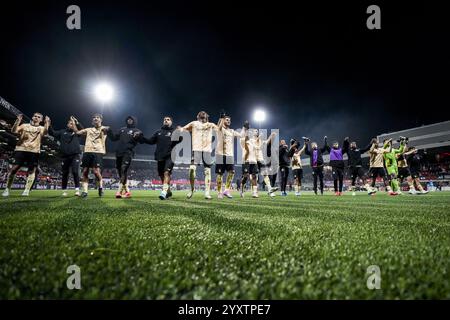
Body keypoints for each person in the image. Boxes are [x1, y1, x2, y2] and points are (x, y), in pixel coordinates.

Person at [2, 113, 50, 197]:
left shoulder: (41, 128)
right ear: (32, 117)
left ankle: (26, 190)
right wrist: (18, 121)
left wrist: (47, 124)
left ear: (41, 120)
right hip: (20, 149)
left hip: (34, 151)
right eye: (35, 116)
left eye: (39, 117)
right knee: (13, 169)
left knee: (32, 170)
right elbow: (13, 131)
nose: (36, 118)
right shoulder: (24, 125)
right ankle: (7, 189)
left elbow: (45, 133)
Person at [139, 116, 183, 200]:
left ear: (171, 122)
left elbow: (180, 140)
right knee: (161, 175)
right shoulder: (158, 132)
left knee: (166, 173)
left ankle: (163, 191)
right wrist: (141, 138)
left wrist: (180, 132)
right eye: (165, 120)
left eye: (168, 119)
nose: (166, 121)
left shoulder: (174, 132)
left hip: (170, 156)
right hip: (160, 157)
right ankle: (168, 191)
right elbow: (150, 141)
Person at [180, 111, 218, 199]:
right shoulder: (194, 123)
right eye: (201, 113)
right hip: (196, 149)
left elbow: (219, 130)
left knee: (207, 171)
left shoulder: (210, 124)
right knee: (192, 169)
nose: (203, 113)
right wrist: (179, 130)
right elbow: (184, 129)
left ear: (207, 116)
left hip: (207, 150)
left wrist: (221, 119)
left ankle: (207, 193)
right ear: (198, 116)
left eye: (204, 113)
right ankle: (192, 189)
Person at [73, 113, 109, 198]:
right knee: (85, 171)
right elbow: (77, 133)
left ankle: (100, 187)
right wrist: (75, 123)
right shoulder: (88, 130)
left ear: (101, 120)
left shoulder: (103, 129)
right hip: (87, 151)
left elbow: (108, 130)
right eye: (94, 117)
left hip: (98, 152)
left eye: (97, 117)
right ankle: (85, 191)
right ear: (92, 120)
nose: (95, 118)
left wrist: (107, 129)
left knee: (96, 171)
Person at [108, 116, 143, 198]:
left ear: (134, 121)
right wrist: (109, 131)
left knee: (123, 169)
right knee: (121, 172)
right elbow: (113, 138)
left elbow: (141, 140)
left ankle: (119, 191)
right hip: (119, 153)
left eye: (131, 119)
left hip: (128, 153)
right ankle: (127, 191)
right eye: (128, 119)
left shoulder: (137, 131)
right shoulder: (122, 129)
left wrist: (139, 136)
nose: (129, 120)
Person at [48, 116, 83, 197]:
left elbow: (82, 129)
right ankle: (64, 191)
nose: (72, 124)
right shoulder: (62, 132)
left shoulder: (77, 133)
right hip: (65, 156)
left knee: (75, 172)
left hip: (75, 155)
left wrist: (76, 122)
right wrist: (49, 124)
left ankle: (77, 190)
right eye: (70, 123)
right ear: (67, 124)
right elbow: (52, 133)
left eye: (73, 123)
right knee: (65, 173)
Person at [215, 114, 245, 199]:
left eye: (229, 120)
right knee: (220, 174)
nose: (228, 121)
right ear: (223, 121)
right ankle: (219, 192)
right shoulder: (220, 129)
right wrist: (221, 118)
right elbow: (219, 126)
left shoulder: (232, 131)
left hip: (230, 155)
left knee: (231, 172)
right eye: (226, 120)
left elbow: (241, 135)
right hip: (220, 154)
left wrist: (244, 127)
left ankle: (226, 190)